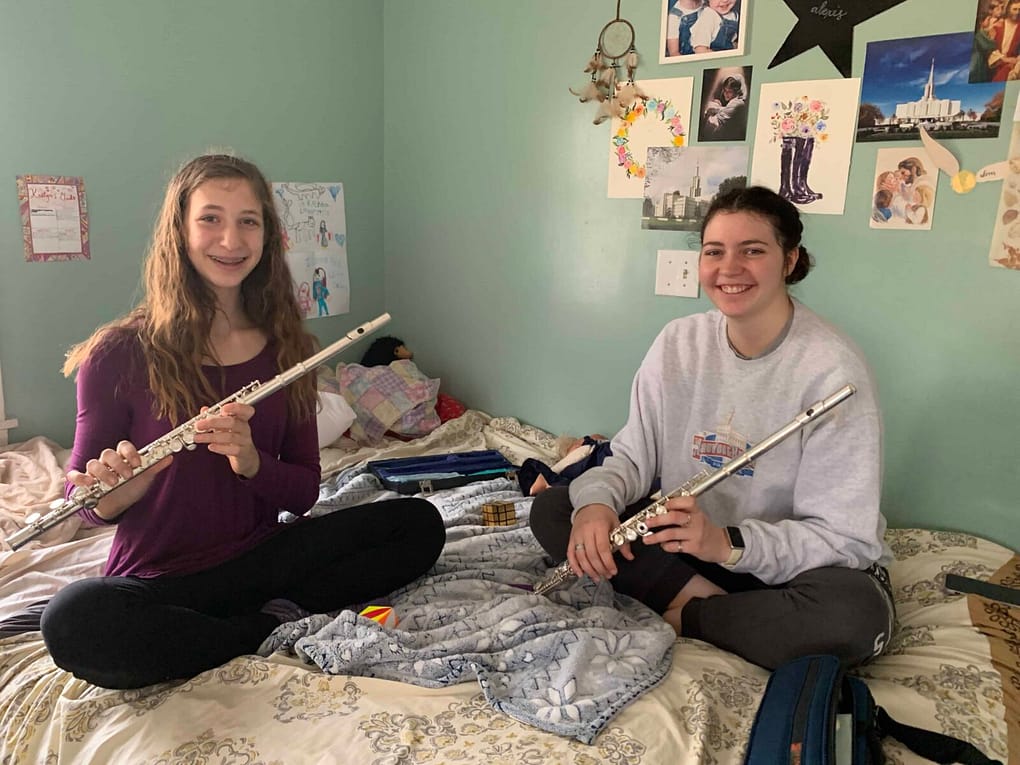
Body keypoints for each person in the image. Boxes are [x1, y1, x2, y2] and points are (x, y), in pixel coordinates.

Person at [40, 154, 446, 690]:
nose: (230, 239)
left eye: (247, 221)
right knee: (71, 619)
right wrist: (125, 487)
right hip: (160, 579)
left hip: (259, 558)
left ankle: (248, 622)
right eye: (211, 218)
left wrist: (252, 462)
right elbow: (87, 507)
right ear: (180, 230)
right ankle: (258, 631)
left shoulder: (289, 350)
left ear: (266, 234)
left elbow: (302, 493)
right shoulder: (116, 354)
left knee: (419, 523)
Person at [530, 186, 894, 671]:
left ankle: (690, 615)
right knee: (558, 506)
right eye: (714, 251)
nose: (729, 268)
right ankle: (707, 604)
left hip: (783, 567)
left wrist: (726, 544)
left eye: (753, 251)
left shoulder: (832, 370)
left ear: (790, 260)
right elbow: (633, 457)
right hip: (690, 551)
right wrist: (596, 507)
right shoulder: (678, 342)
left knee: (853, 617)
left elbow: (843, 538)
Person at [701, 73, 748, 141]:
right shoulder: (733, 102)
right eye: (725, 90)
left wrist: (712, 111)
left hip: (724, 134)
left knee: (709, 107)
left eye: (729, 92)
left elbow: (723, 115)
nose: (726, 94)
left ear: (736, 91)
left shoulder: (738, 103)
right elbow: (725, 109)